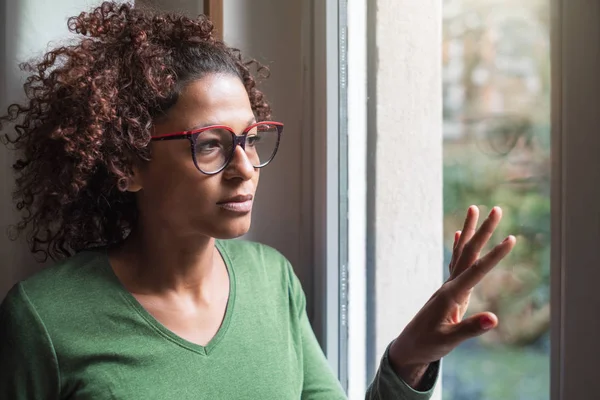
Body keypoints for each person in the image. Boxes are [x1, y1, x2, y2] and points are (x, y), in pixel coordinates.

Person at [0, 2, 516, 399]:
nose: (245, 167)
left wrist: (409, 358)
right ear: (128, 165)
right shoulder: (44, 319)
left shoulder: (272, 281)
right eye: (210, 145)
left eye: (250, 139)